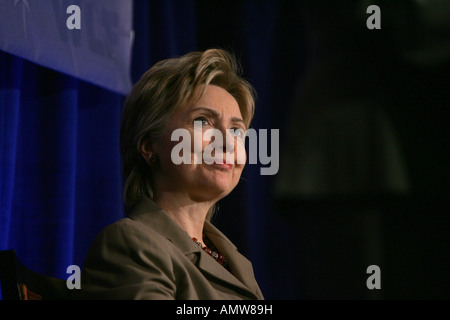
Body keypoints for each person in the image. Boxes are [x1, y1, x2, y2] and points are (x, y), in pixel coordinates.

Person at [77, 49, 264, 300]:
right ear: (150, 147)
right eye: (202, 121)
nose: (228, 142)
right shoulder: (131, 243)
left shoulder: (238, 263)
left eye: (236, 130)